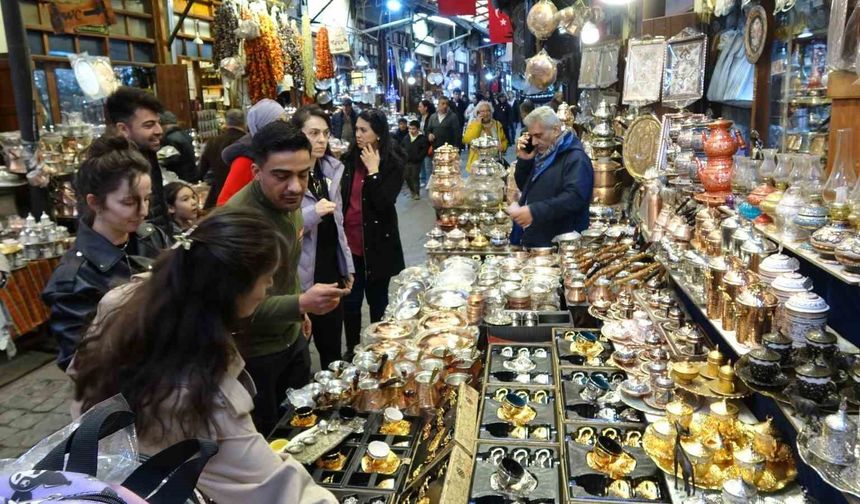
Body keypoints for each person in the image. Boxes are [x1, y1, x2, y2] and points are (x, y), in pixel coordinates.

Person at [70, 208, 338, 504]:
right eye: (266, 278)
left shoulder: (123, 302)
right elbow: (272, 488)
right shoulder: (205, 393)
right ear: (233, 291)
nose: (269, 289)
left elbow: (82, 381)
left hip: (107, 474)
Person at [225, 120, 348, 435]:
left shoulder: (289, 202)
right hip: (255, 357)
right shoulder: (238, 226)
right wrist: (299, 302)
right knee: (271, 436)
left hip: (292, 339)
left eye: (303, 174)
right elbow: (235, 311)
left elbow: (288, 264)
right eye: (281, 176)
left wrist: (299, 310)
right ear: (256, 172)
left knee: (302, 424)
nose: (295, 187)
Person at [42, 135, 168, 371]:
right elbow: (80, 365)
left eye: (147, 199)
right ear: (95, 203)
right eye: (129, 202)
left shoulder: (151, 236)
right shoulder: (73, 280)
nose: (143, 211)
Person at [290, 106, 355, 369]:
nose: (321, 140)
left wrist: (346, 265)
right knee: (299, 352)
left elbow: (339, 225)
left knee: (332, 351)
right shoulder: (290, 174)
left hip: (329, 269)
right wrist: (313, 213)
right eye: (313, 133)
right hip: (301, 275)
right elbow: (284, 230)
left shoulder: (330, 170)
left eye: (325, 133)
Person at [341, 109, 405, 358]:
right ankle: (352, 352)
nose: (357, 134)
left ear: (378, 134)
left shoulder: (393, 162)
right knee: (351, 304)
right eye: (356, 129)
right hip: (350, 246)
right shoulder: (348, 160)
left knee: (378, 303)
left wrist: (374, 171)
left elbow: (384, 202)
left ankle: (379, 349)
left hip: (378, 246)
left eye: (363, 130)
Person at [511, 106, 594, 247]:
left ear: (555, 130)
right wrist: (525, 161)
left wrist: (534, 211)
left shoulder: (576, 158)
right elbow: (526, 187)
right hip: (538, 238)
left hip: (560, 243)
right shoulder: (543, 154)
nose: (535, 142)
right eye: (532, 136)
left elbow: (574, 198)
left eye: (539, 135)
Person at [105, 87, 168, 226]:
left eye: (158, 123)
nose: (159, 131)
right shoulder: (114, 167)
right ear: (123, 129)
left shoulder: (146, 153)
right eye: (149, 125)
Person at [216, 99, 285, 206]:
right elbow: (225, 204)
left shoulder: (276, 152)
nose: (285, 126)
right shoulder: (245, 160)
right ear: (264, 124)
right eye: (280, 121)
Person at [200, 109, 246, 209]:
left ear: (226, 121)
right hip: (243, 196)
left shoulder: (213, 142)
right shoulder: (247, 142)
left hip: (218, 195)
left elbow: (200, 171)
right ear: (244, 122)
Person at [462, 100, 508, 172]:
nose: (486, 113)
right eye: (482, 111)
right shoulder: (473, 124)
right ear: (478, 113)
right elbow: (467, 140)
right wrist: (478, 125)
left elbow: (503, 140)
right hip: (478, 164)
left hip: (494, 163)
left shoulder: (497, 124)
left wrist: (503, 146)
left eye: (488, 111)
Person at [159, 111, 197, 183]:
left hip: (180, 178)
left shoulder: (170, 138)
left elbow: (170, 159)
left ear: (163, 125)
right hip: (190, 175)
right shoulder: (184, 134)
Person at [402, 120, 429, 200]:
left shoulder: (422, 138)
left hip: (416, 162)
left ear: (418, 129)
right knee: (406, 176)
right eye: (410, 129)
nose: (411, 131)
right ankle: (412, 191)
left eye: (413, 129)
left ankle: (416, 193)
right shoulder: (406, 137)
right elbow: (401, 147)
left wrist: (419, 157)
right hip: (407, 161)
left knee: (415, 176)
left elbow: (424, 150)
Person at [417, 99, 436, 187]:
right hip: (421, 143)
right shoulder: (420, 117)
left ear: (426, 108)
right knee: (421, 163)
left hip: (428, 144)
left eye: (420, 106)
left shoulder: (431, 117)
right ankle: (423, 179)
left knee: (428, 164)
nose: (419, 108)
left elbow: (432, 130)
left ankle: (429, 181)